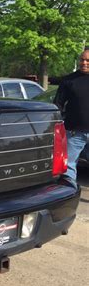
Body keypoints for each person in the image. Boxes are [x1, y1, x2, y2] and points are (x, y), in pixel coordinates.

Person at [53, 49, 89, 187]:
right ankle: (70, 194)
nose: (84, 63)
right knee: (68, 167)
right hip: (74, 133)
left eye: (87, 60)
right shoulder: (69, 80)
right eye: (82, 59)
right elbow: (58, 104)